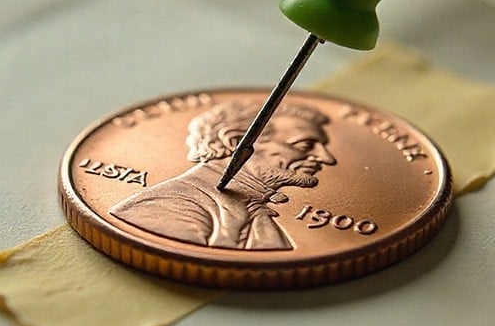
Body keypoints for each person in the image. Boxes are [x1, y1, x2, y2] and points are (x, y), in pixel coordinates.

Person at [109, 100, 337, 250]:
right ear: (237, 143)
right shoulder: (165, 206)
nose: (326, 158)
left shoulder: (254, 209)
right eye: (306, 145)